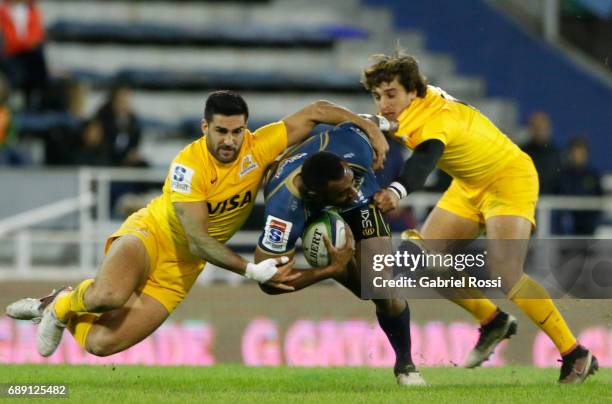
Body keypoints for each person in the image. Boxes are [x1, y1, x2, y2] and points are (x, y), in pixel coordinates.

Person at [5, 90, 389, 359]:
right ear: (205, 127)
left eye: (237, 131)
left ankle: (58, 302)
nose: (230, 140)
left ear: (245, 128)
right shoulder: (189, 166)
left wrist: (369, 128)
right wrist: (249, 268)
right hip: (152, 236)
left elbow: (318, 110)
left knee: (101, 344)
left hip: (181, 270)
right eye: (221, 131)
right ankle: (62, 307)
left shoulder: (259, 146)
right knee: (109, 296)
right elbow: (198, 237)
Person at [361, 51, 598, 383]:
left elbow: (424, 160)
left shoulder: (435, 119)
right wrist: (372, 122)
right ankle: (492, 320)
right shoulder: (418, 103)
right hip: (470, 184)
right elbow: (393, 124)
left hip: (508, 177)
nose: (383, 103)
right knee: (423, 258)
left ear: (412, 91)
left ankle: (575, 354)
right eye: (377, 96)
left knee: (507, 274)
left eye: (390, 94)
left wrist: (397, 190)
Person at [254, 122, 426, 386]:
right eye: (344, 190)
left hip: (361, 203)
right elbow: (268, 281)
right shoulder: (283, 210)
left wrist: (381, 130)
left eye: (350, 184)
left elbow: (361, 120)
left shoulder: (356, 147)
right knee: (364, 289)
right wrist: (329, 270)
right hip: (311, 214)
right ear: (315, 194)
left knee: (379, 288)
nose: (352, 191)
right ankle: (342, 264)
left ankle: (405, 364)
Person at [555, 137, 603, 235]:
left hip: (589, 225)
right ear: (570, 154)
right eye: (575, 153)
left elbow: (599, 199)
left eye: (581, 153)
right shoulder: (563, 175)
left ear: (586, 154)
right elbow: (559, 198)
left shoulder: (593, 175)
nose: (578, 156)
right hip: (567, 225)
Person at [520, 111, 562, 195]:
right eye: (536, 128)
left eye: (543, 128)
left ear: (549, 129)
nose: (540, 132)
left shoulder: (558, 155)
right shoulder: (522, 153)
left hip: (553, 203)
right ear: (530, 129)